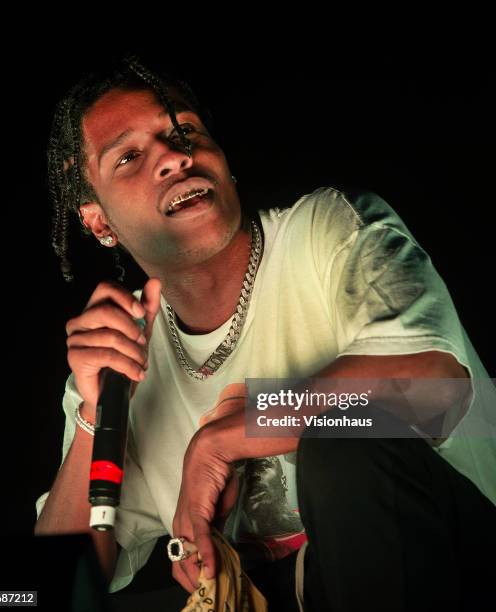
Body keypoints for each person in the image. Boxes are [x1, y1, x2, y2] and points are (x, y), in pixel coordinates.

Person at [34, 54, 496, 611]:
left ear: (223, 159)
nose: (173, 158)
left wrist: (222, 437)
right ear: (99, 221)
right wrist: (94, 416)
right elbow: (57, 586)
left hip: (462, 561)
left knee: (344, 443)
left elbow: (435, 387)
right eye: (129, 156)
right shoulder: (123, 350)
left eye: (184, 132)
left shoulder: (329, 230)